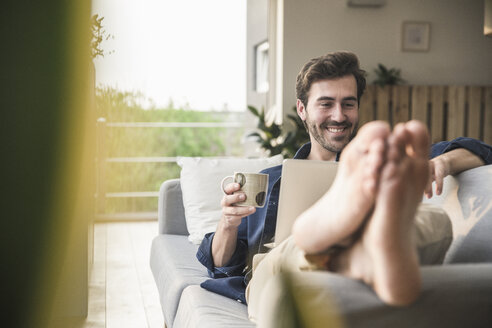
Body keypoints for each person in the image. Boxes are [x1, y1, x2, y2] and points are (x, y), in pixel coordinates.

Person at [197, 51, 492, 306]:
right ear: (302, 109)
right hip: (282, 282)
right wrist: (228, 223)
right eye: (326, 104)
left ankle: (354, 247)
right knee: (293, 253)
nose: (339, 116)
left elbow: (481, 151)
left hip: (358, 270)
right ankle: (325, 236)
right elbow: (221, 267)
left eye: (348, 104)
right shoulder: (270, 181)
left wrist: (443, 161)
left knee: (431, 223)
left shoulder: (378, 161)